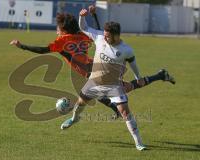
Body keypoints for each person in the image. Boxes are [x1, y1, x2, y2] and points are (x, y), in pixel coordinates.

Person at [10, 7, 175, 119]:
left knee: (125, 88)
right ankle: (158, 76)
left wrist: (21, 46)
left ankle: (159, 75)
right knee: (104, 92)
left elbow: (42, 50)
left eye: (58, 28)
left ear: (63, 30)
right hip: (95, 67)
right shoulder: (83, 36)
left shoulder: (61, 41)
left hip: (95, 71)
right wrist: (94, 15)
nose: (57, 30)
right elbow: (98, 33)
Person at [60, 8, 152, 151]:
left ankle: (138, 143)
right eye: (104, 34)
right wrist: (81, 16)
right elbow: (83, 27)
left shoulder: (126, 50)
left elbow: (133, 64)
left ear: (116, 36)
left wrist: (138, 78)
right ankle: (74, 119)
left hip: (113, 86)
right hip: (94, 82)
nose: (105, 37)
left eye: (108, 36)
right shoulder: (99, 37)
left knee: (125, 112)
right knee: (79, 104)